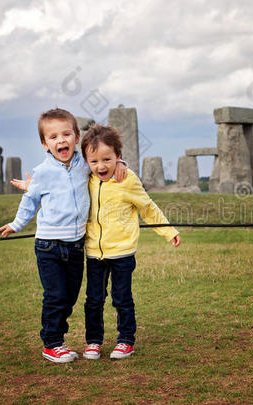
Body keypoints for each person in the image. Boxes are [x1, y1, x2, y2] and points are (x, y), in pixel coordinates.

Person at [0, 108, 127, 363]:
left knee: (70, 297)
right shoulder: (42, 172)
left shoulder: (83, 164)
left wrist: (120, 163)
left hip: (76, 245)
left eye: (66, 134)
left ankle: (58, 339)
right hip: (48, 246)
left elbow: (104, 159)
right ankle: (52, 343)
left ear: (77, 137)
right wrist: (17, 224)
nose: (61, 140)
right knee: (55, 296)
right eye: (53, 137)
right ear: (45, 144)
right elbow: (30, 201)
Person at [80, 124, 181, 360]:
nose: (101, 166)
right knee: (93, 299)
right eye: (94, 161)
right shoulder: (85, 178)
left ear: (118, 157)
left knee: (121, 298)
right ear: (86, 160)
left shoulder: (128, 179)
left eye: (107, 159)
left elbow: (148, 208)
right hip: (94, 252)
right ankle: (93, 341)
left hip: (123, 252)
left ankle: (126, 340)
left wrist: (168, 231)